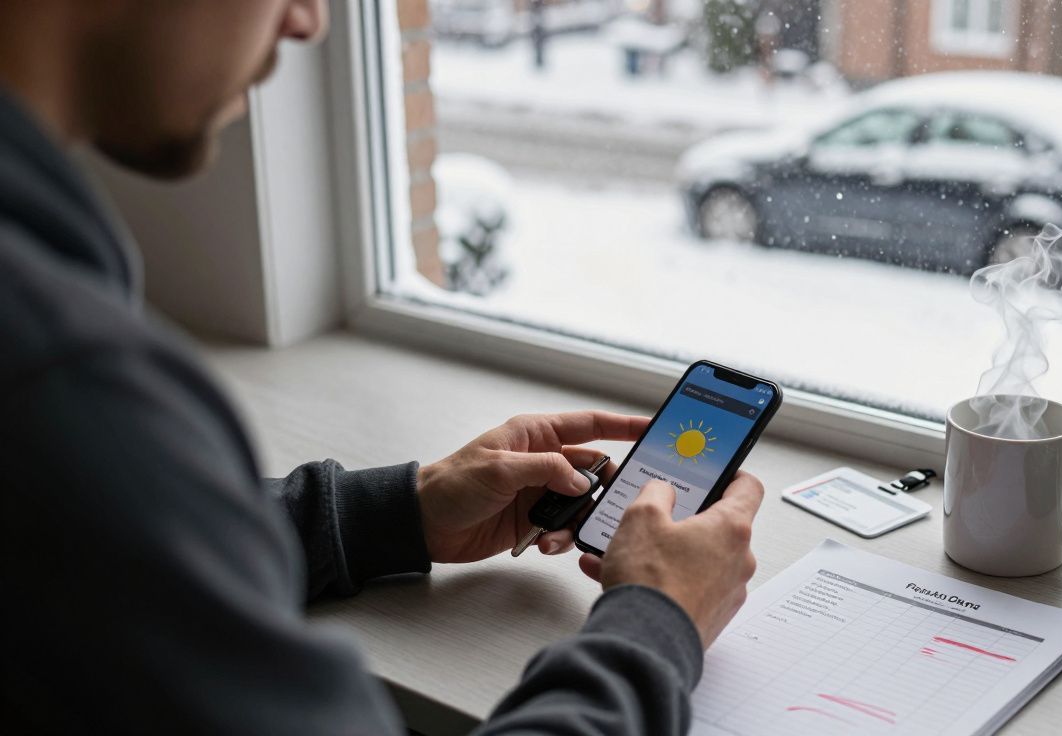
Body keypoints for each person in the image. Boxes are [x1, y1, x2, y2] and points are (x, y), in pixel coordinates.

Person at [0, 1, 764, 733]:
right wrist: (655, 625)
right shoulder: (68, 390)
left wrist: (395, 514)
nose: (309, 20)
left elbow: (122, 552)